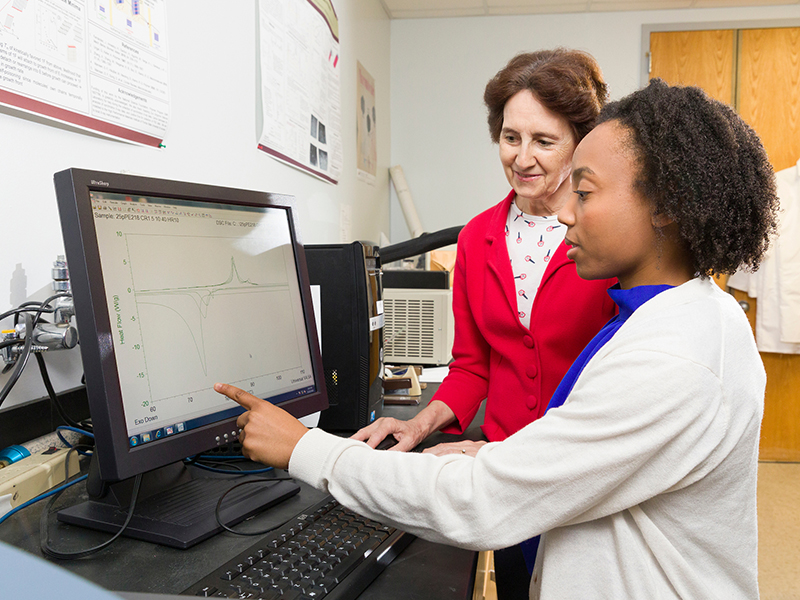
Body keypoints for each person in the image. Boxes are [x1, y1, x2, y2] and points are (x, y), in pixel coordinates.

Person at [216, 79, 777, 598]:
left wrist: (304, 448)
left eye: (583, 192)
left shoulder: (670, 356)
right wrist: (503, 452)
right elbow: (573, 431)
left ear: (668, 206)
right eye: (511, 136)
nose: (563, 214)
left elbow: (484, 501)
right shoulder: (676, 316)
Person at [355, 50, 616, 463]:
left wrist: (527, 457)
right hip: (493, 454)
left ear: (580, 144)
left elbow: (619, 378)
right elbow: (472, 368)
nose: (522, 158)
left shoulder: (607, 236)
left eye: (544, 142)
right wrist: (417, 424)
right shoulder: (477, 237)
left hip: (581, 458)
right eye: (511, 138)